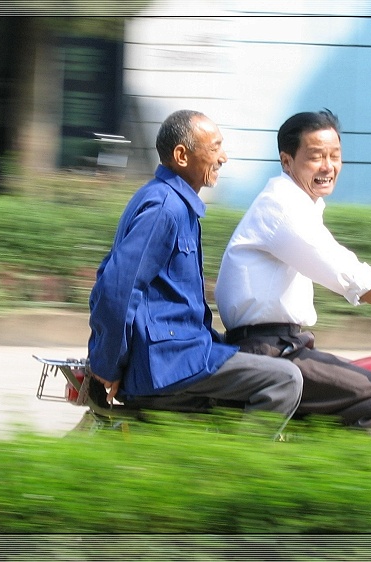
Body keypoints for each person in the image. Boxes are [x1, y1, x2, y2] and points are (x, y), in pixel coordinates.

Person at [214, 109, 371, 437]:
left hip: (279, 345)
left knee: (367, 385)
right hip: (270, 350)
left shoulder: (298, 203)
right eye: (315, 156)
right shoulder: (283, 208)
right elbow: (345, 272)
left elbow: (335, 266)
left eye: (335, 156)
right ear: (287, 161)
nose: (328, 166)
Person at [86, 109, 303, 438]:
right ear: (181, 155)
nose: (223, 158)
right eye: (215, 148)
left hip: (182, 351)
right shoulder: (164, 208)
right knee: (285, 380)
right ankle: (237, 475)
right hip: (171, 360)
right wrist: (106, 365)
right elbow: (116, 289)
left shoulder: (171, 203)